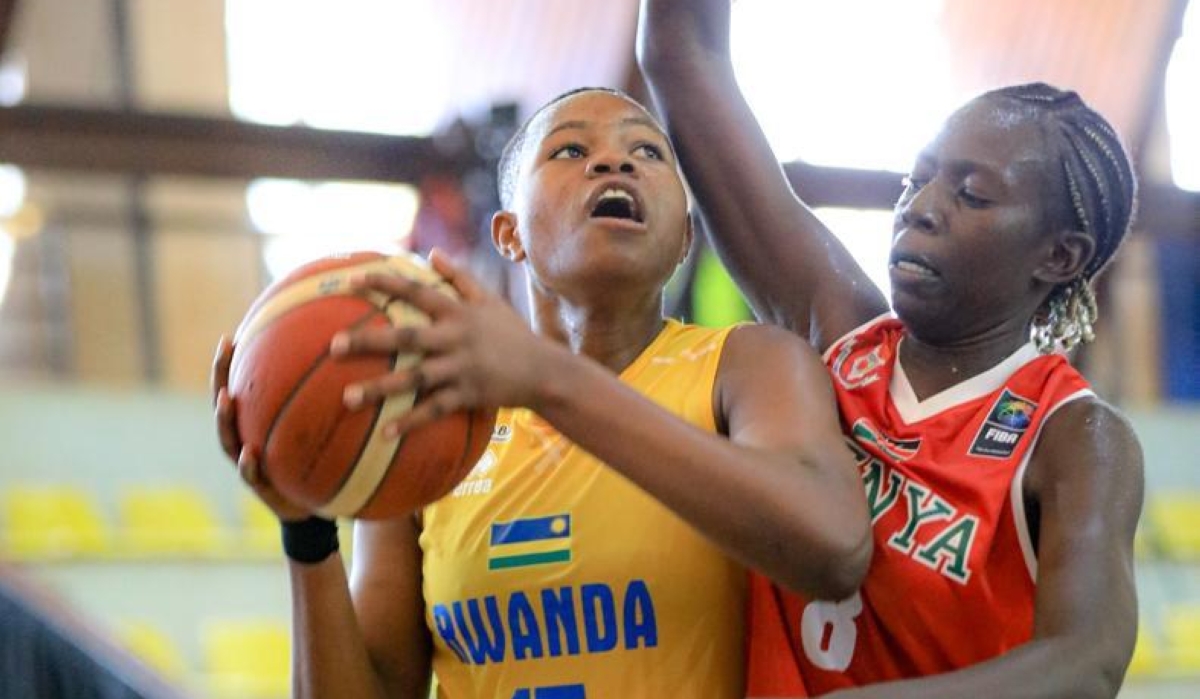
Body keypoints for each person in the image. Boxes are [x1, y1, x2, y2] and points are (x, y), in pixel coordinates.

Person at [211, 86, 872, 699]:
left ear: (684, 242)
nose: (615, 162)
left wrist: (548, 379)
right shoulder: (427, 406)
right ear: (509, 234)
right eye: (572, 149)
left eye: (646, 150)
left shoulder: (746, 364)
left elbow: (834, 547)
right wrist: (306, 524)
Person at [637, 2, 1145, 698]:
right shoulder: (840, 329)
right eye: (917, 179)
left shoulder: (1074, 436)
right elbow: (682, 59)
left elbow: (1087, 659)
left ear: (1059, 255)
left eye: (970, 194)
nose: (920, 206)